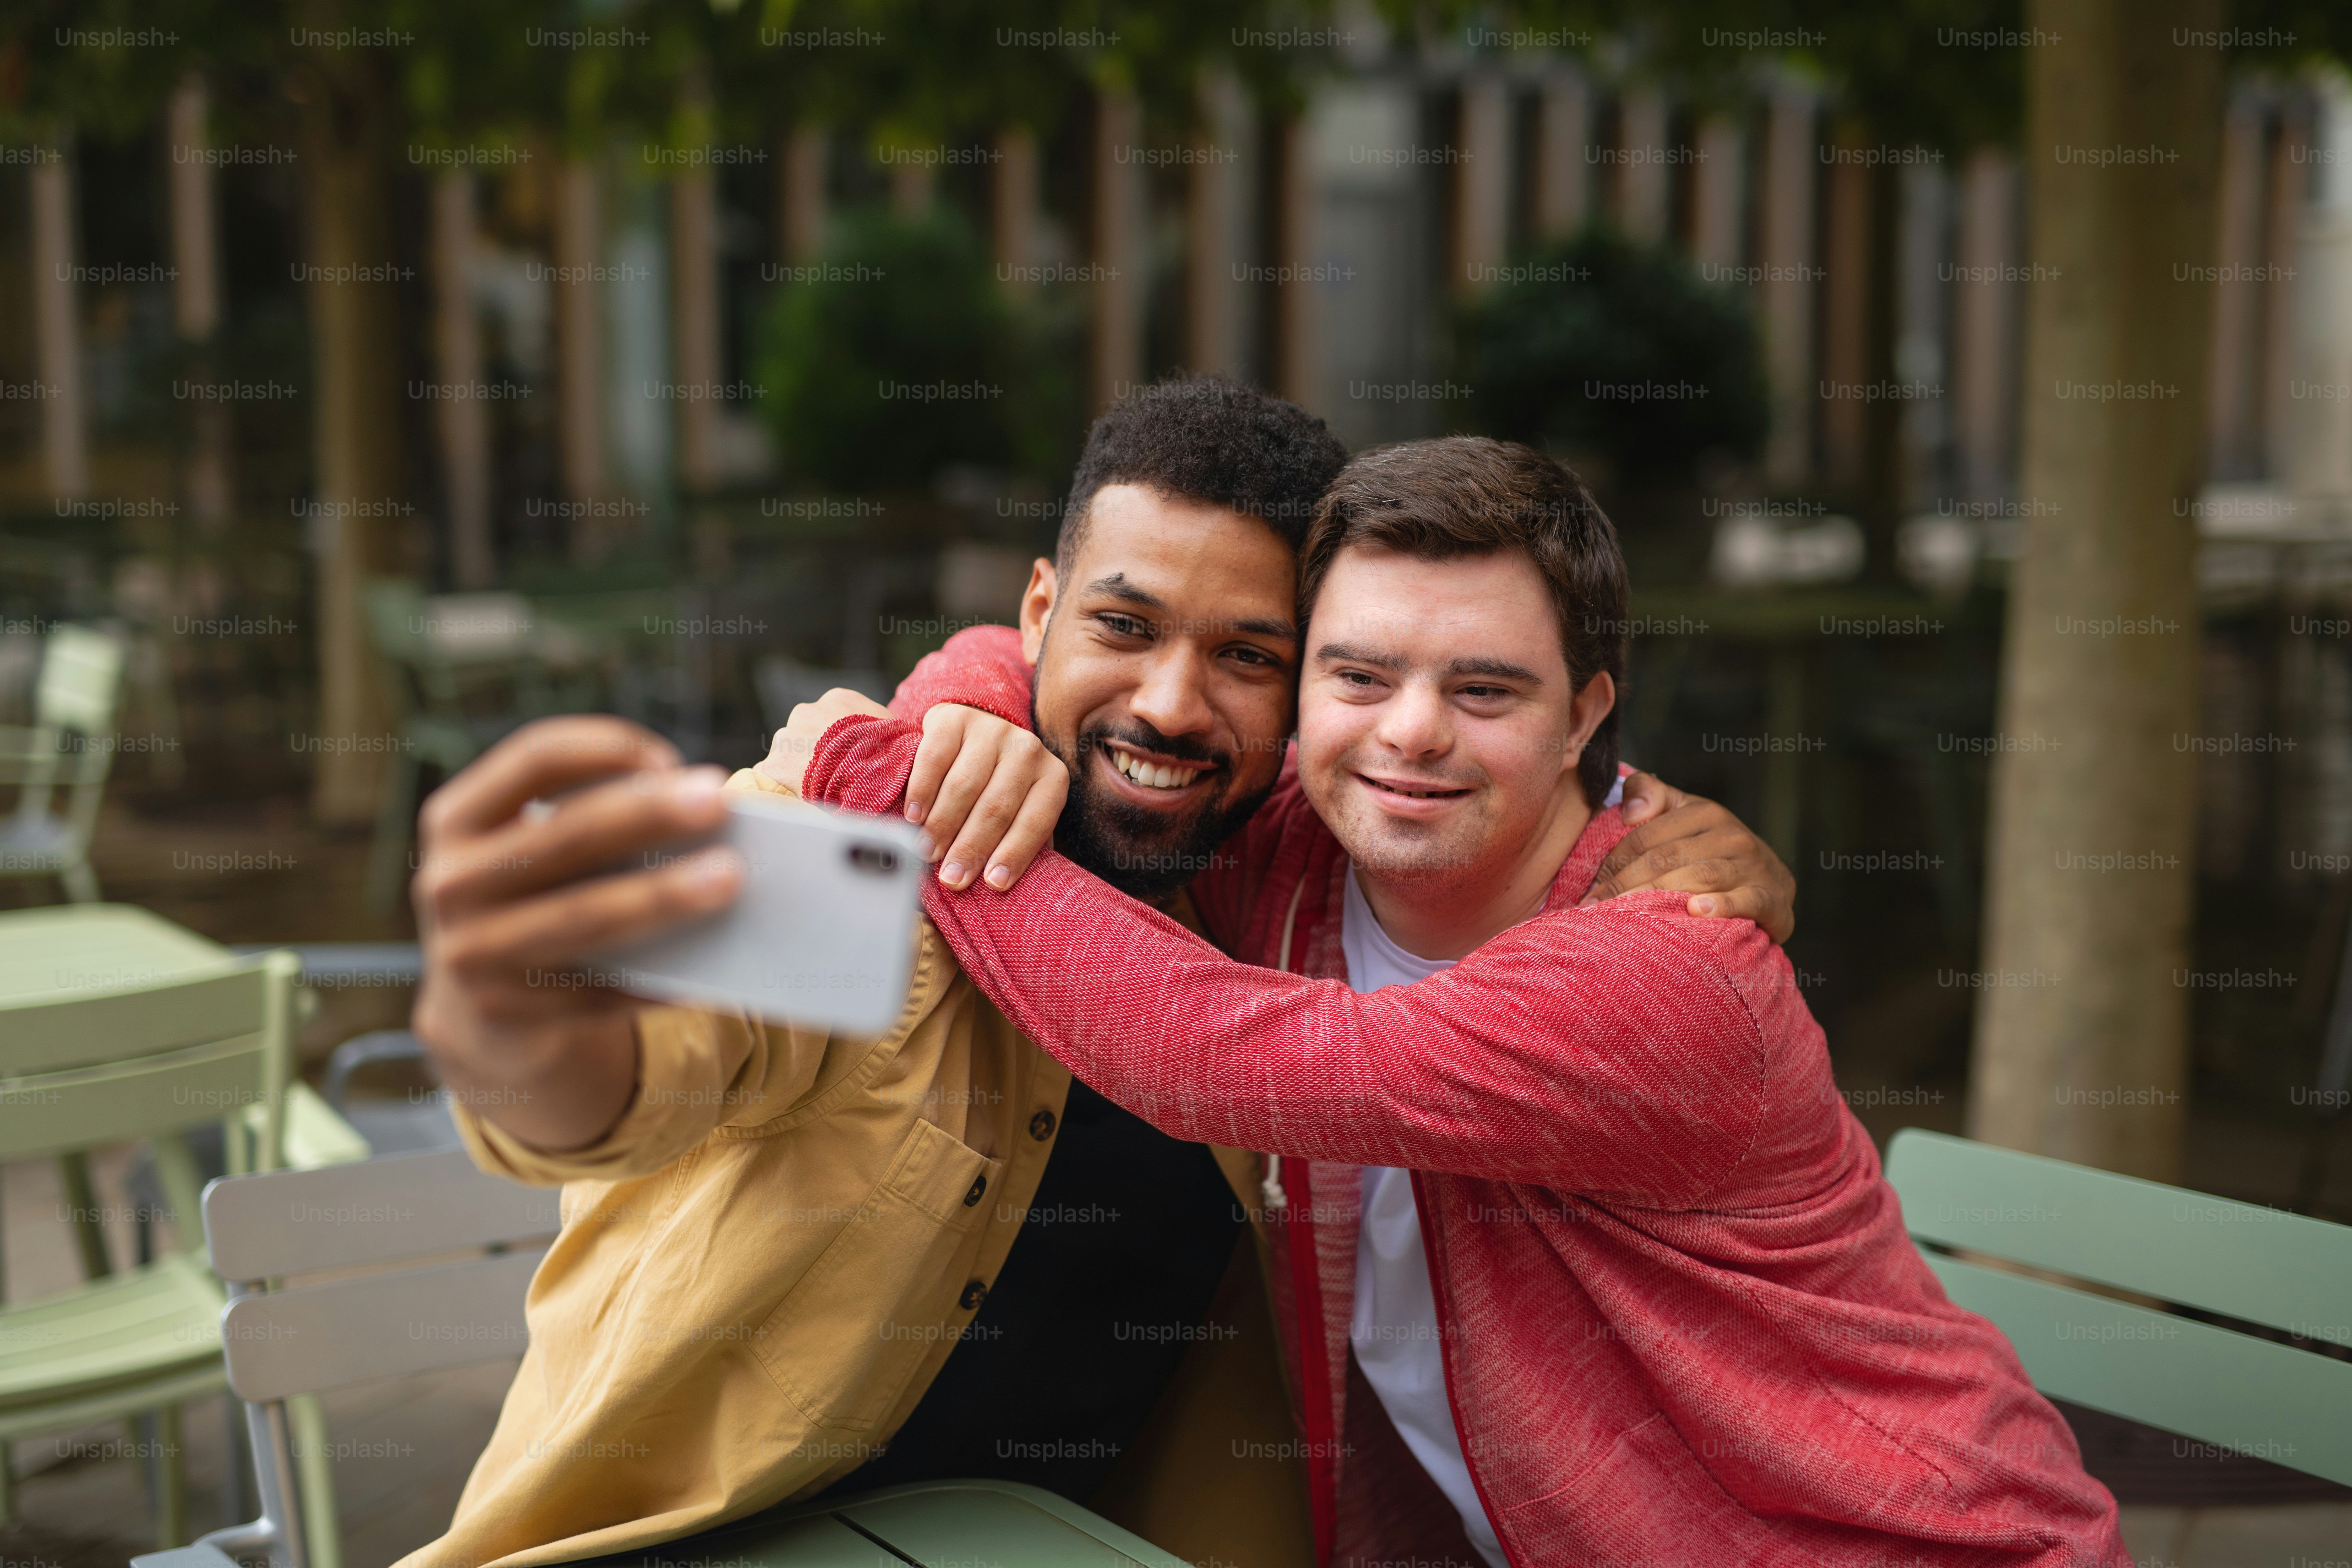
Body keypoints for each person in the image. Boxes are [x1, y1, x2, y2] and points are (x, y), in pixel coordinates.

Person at [400, 381, 1794, 1568]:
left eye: (1250, 657)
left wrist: (1656, 826)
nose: (1174, 705)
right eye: (1125, 629)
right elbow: (649, 1059)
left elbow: (1461, 773)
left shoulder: (1276, 896)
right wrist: (514, 1017)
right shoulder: (866, 841)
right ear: (1039, 614)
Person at [772, 436, 2131, 1568]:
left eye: (1484, 689)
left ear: (1587, 715)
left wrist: (887, 783)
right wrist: (966, 717)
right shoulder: (1302, 851)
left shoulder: (1666, 969)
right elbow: (1082, 681)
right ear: (1301, 685)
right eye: (1359, 674)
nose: (1411, 731)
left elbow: (1211, 1052)